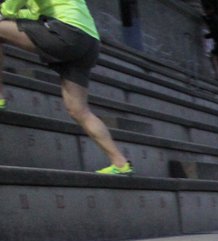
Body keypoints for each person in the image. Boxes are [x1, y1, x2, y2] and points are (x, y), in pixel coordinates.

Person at [0, 0, 133, 173]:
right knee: (78, 110)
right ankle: (120, 163)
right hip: (89, 41)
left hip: (66, 32)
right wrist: (10, 14)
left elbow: (13, 8)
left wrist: (4, 11)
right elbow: (33, 14)